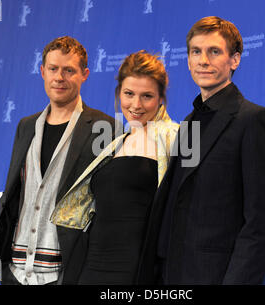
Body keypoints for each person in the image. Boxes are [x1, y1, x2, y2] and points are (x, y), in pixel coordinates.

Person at [149, 16, 265, 284]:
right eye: (196, 52)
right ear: (187, 60)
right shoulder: (188, 123)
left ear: (234, 60)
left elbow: (259, 223)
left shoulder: (253, 120)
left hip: (214, 276)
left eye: (214, 51)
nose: (203, 61)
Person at [0, 36, 114, 285]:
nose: (59, 77)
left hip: (64, 274)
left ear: (85, 74)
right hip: (15, 271)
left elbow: (104, 203)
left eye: (69, 70)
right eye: (53, 69)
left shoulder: (103, 127)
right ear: (42, 71)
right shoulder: (26, 125)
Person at [50, 50, 179, 284]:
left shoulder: (177, 137)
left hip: (136, 270)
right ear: (119, 93)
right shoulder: (117, 142)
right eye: (129, 94)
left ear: (161, 98)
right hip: (92, 265)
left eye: (147, 96)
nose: (136, 105)